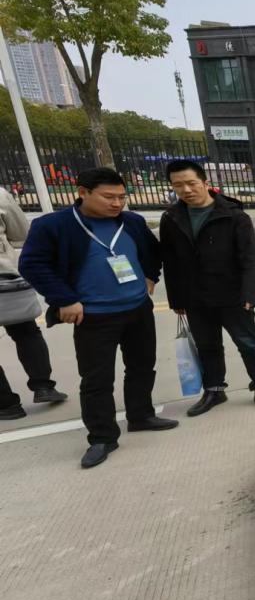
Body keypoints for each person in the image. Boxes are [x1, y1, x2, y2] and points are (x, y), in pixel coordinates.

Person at [18, 167, 177, 467]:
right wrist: (65, 299)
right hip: (94, 316)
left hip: (137, 309)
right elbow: (33, 264)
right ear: (82, 192)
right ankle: (102, 437)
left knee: (142, 367)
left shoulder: (131, 222)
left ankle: (141, 415)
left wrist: (150, 276)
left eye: (121, 197)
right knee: (97, 379)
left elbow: (153, 251)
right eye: (108, 197)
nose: (117, 203)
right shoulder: (55, 226)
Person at [160, 159, 255, 416]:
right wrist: (176, 299)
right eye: (178, 185)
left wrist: (249, 294)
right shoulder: (171, 218)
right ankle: (214, 390)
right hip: (195, 297)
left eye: (191, 183)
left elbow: (250, 258)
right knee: (207, 346)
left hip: (232, 295)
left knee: (248, 342)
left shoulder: (233, 215)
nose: (186, 190)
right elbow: (171, 262)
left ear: (204, 182)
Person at [0, 186, 67, 419]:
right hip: (5, 278)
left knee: (26, 332)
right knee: (26, 331)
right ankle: (43, 386)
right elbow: (21, 233)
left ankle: (6, 405)